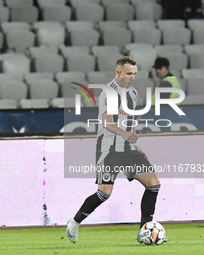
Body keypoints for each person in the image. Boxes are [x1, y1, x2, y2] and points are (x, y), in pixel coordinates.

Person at [66, 56, 166, 244]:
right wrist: (123, 134)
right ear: (117, 72)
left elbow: (131, 119)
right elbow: (106, 121)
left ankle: (144, 232)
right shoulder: (108, 93)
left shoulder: (133, 93)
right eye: (129, 73)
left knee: (153, 185)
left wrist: (135, 144)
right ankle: (74, 221)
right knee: (104, 193)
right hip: (108, 150)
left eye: (134, 74)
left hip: (128, 149)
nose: (132, 77)